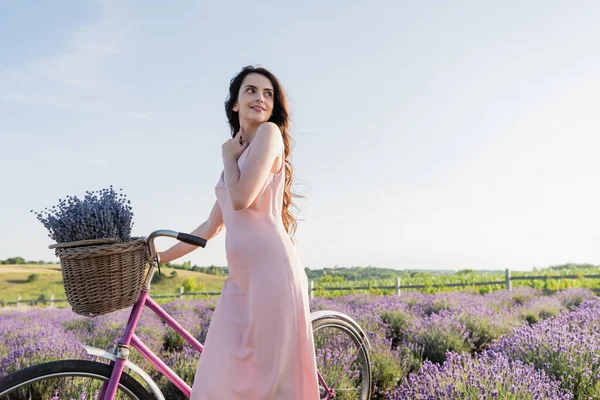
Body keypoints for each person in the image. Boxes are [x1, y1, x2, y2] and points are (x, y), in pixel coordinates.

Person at [157, 65, 320, 399]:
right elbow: (209, 228)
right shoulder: (236, 158)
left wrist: (226, 156)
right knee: (218, 378)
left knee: (270, 385)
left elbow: (243, 199)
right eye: (251, 91)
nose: (260, 98)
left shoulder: (269, 135)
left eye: (268, 94)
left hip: (273, 274)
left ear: (273, 107)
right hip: (240, 282)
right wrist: (157, 256)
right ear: (235, 104)